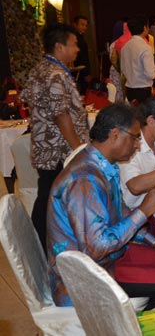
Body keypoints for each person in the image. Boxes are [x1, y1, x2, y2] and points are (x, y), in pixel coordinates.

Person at [47, 103, 155, 308]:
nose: (137, 145)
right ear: (114, 134)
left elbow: (119, 214)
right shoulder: (84, 180)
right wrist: (144, 211)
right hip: (87, 279)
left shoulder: (103, 165)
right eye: (135, 137)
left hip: (109, 261)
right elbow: (97, 247)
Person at [20, 23, 90, 250]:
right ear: (59, 46)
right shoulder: (55, 74)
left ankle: (42, 243)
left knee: (49, 197)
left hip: (48, 148)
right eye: (74, 44)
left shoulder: (41, 69)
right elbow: (62, 116)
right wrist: (80, 151)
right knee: (50, 199)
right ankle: (40, 245)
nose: (77, 49)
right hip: (58, 151)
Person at [121, 16, 155, 104]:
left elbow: (123, 69)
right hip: (143, 91)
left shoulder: (125, 47)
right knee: (143, 116)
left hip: (129, 89)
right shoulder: (145, 48)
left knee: (134, 116)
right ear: (144, 28)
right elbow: (150, 74)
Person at [71, 15, 91, 95]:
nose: (84, 27)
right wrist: (86, 73)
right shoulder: (76, 38)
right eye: (82, 25)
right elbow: (81, 57)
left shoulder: (80, 36)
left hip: (82, 69)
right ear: (75, 25)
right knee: (82, 92)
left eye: (86, 25)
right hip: (80, 70)